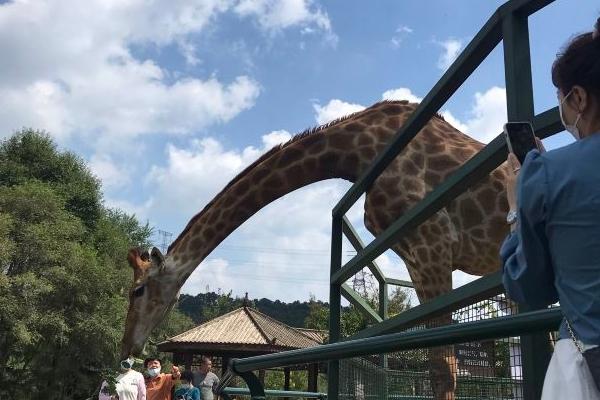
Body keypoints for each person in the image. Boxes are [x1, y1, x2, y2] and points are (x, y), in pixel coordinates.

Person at [500, 17, 600, 399]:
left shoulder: (546, 173)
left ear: (578, 98)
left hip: (587, 364)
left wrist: (517, 203)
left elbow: (528, 286)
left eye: (561, 99)